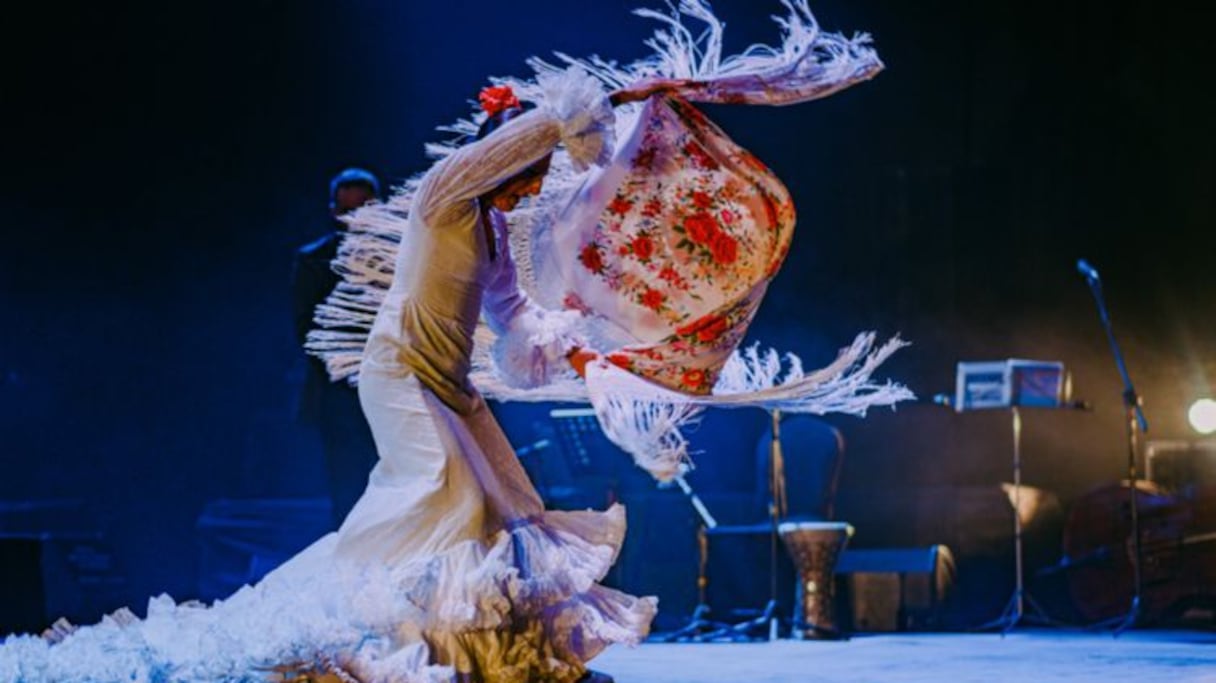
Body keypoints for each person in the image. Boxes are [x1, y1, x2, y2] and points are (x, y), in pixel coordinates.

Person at [293, 167, 382, 527]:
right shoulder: (314, 259)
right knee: (346, 484)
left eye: (364, 208)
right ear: (334, 211)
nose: (355, 219)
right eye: (348, 211)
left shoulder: (396, 254)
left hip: (389, 383)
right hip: (339, 391)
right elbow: (306, 328)